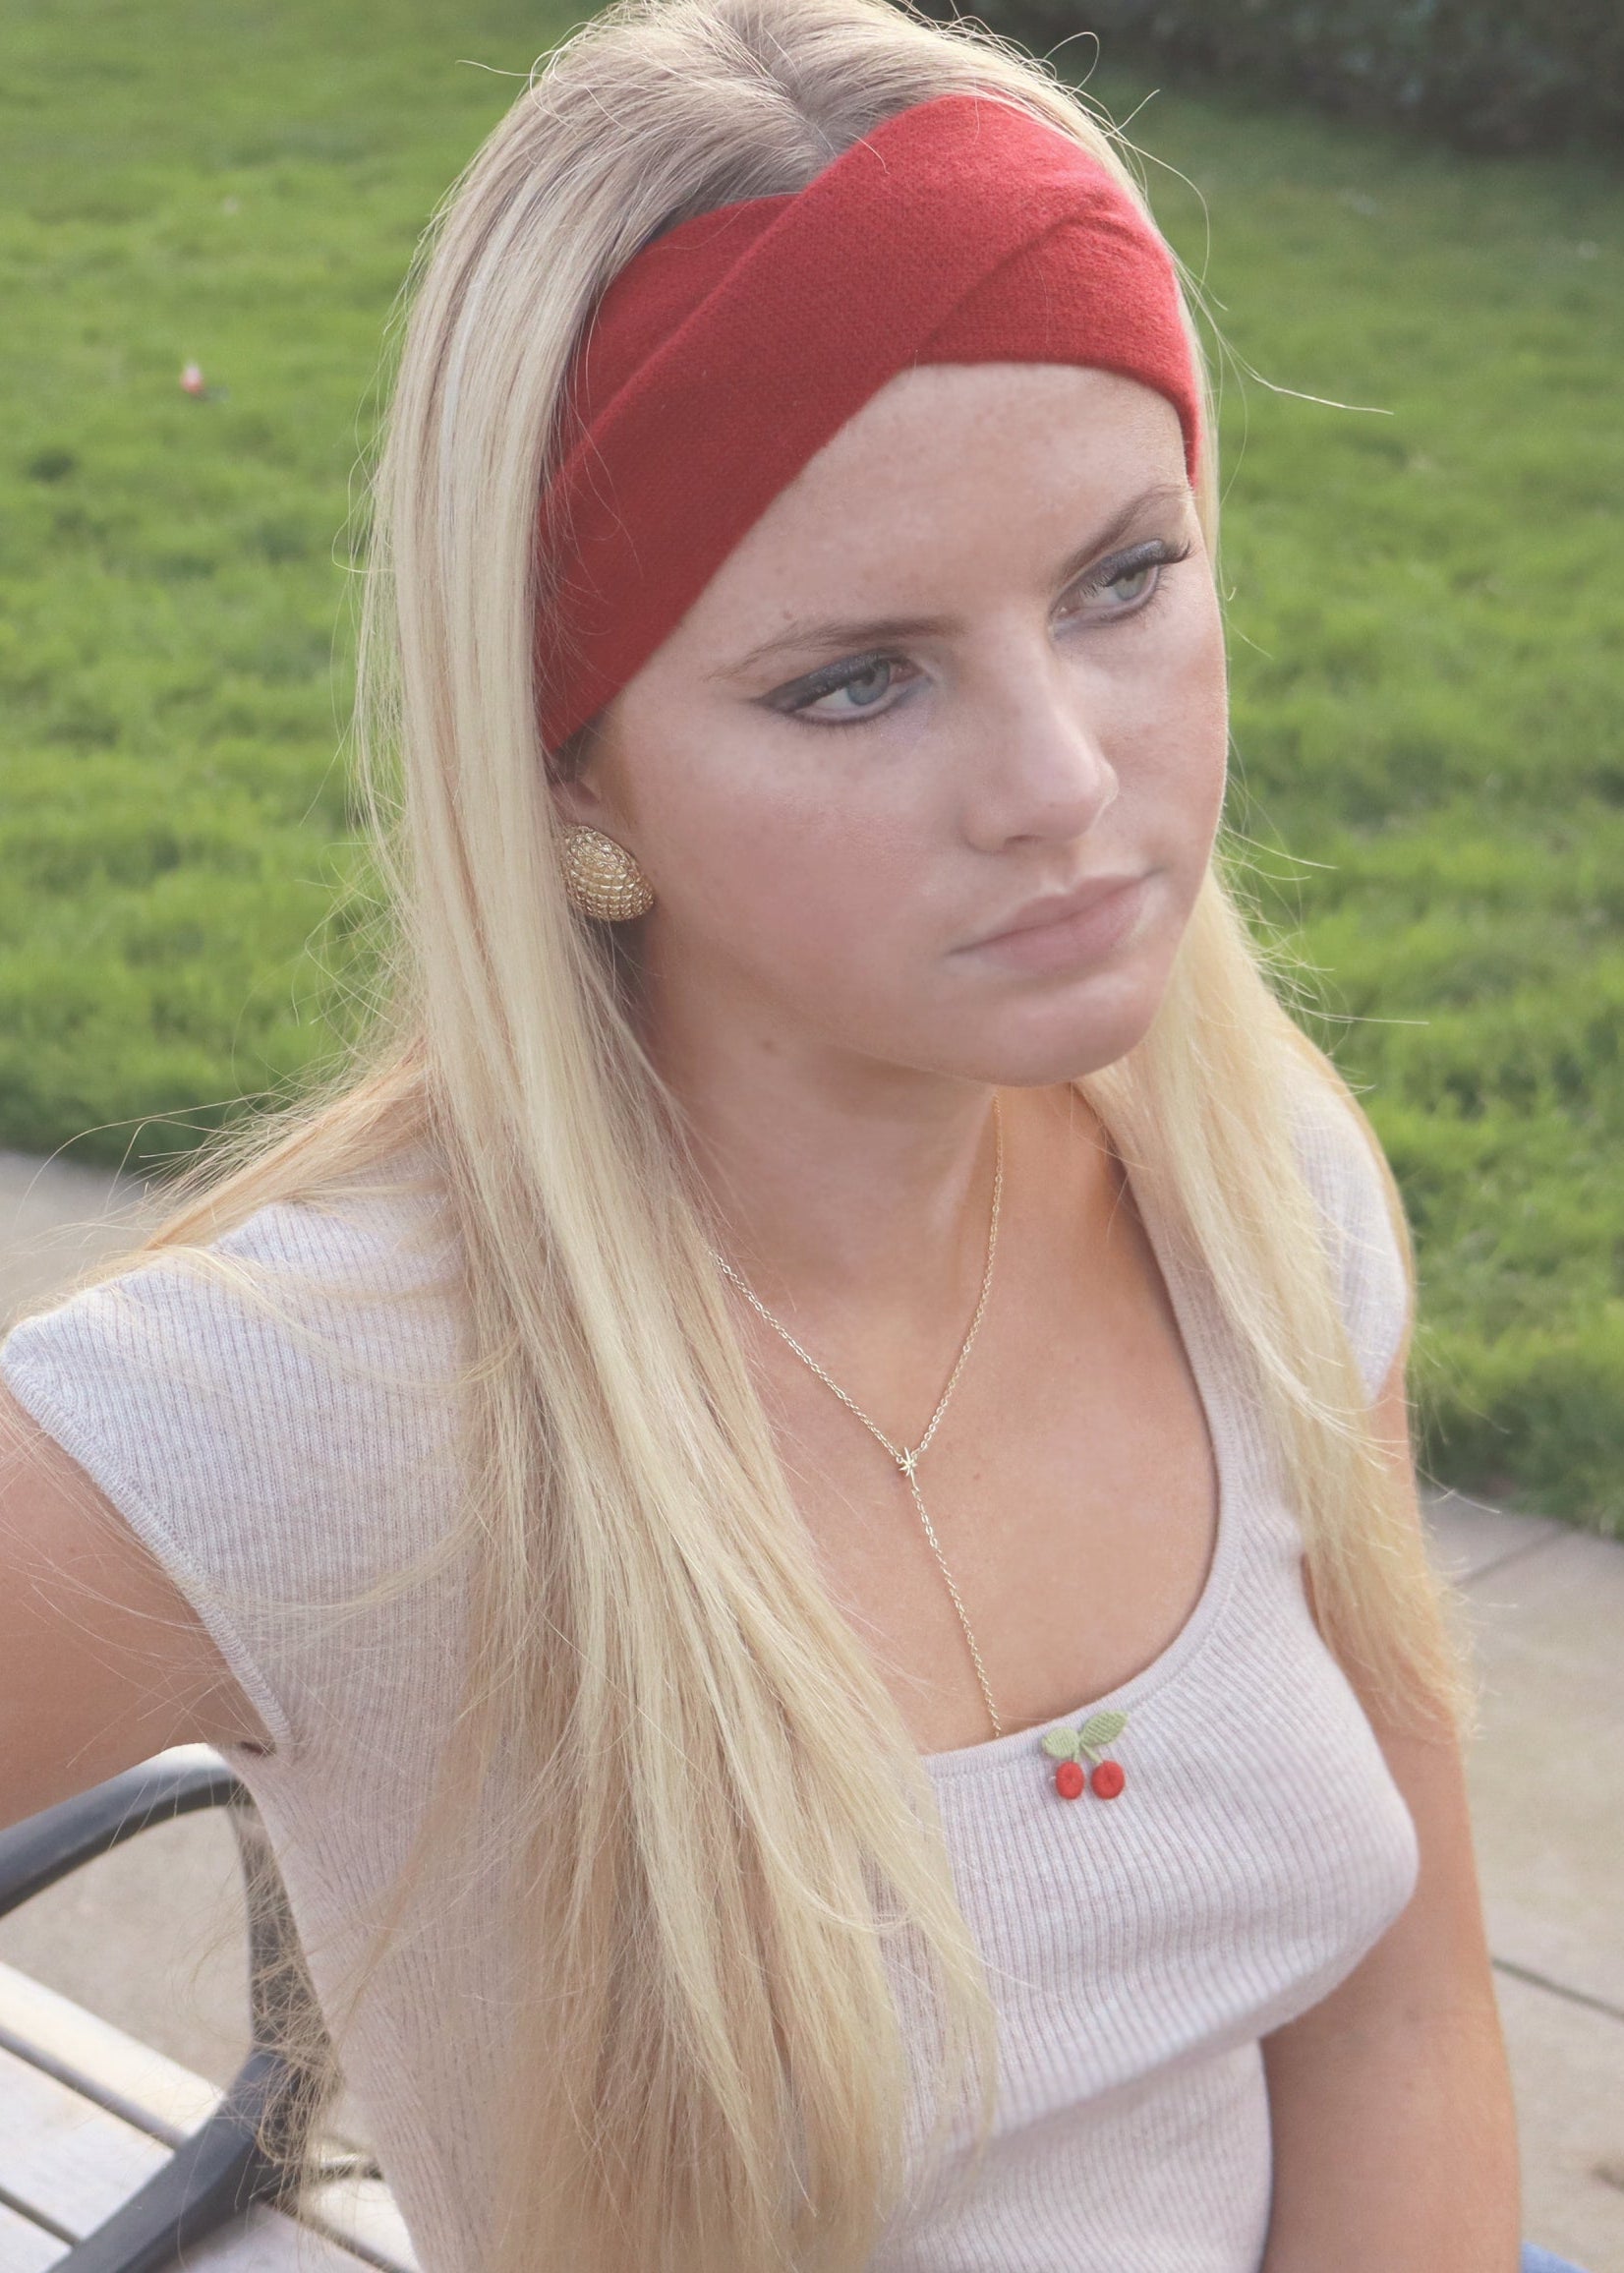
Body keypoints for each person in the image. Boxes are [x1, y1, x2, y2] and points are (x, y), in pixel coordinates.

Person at [0, 1, 1584, 2268]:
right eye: (854, 678)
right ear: (571, 778)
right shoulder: (333, 1403)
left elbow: (1397, 2020)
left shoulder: (1258, 1193)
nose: (1061, 778)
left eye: (1122, 578)